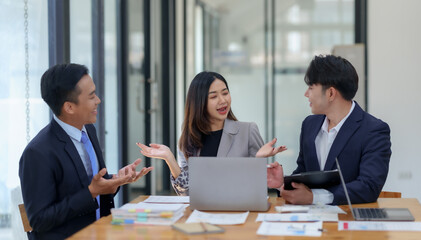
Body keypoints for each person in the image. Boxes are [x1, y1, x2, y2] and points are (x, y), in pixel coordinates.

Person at [19, 63, 153, 239]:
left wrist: (115, 181)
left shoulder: (88, 130)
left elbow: (89, 183)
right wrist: (92, 192)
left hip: (100, 232)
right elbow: (39, 220)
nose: (98, 100)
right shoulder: (37, 153)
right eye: (91, 96)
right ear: (69, 107)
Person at [267, 55, 391, 205]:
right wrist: (283, 183)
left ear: (331, 93)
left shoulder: (373, 130)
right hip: (311, 222)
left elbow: (369, 187)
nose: (306, 94)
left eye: (311, 88)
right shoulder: (309, 125)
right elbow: (304, 174)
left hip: (350, 221)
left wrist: (315, 198)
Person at [137, 71, 286, 195]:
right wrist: (169, 158)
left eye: (225, 93)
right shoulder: (188, 139)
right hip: (203, 217)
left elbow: (259, 185)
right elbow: (187, 194)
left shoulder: (248, 131)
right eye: (214, 96)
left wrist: (258, 159)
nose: (223, 100)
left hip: (242, 215)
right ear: (199, 103)